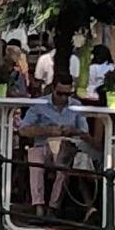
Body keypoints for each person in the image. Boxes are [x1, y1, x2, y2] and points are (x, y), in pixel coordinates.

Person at [17, 79, 91, 218]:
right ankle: (38, 207)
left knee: (63, 163)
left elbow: (84, 132)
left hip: (65, 145)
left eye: (67, 94)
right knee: (35, 161)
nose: (63, 97)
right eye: (60, 93)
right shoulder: (40, 104)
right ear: (53, 90)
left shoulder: (76, 106)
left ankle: (53, 207)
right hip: (42, 144)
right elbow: (23, 130)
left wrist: (72, 130)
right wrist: (46, 130)